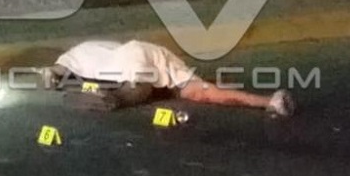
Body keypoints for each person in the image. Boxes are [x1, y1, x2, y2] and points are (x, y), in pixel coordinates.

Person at [41, 39, 297, 118]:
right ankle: (270, 101)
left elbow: (57, 70)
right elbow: (56, 70)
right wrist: (51, 75)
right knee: (198, 91)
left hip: (137, 56)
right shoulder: (80, 53)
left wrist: (51, 76)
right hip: (138, 58)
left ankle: (270, 101)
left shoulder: (76, 55)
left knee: (143, 89)